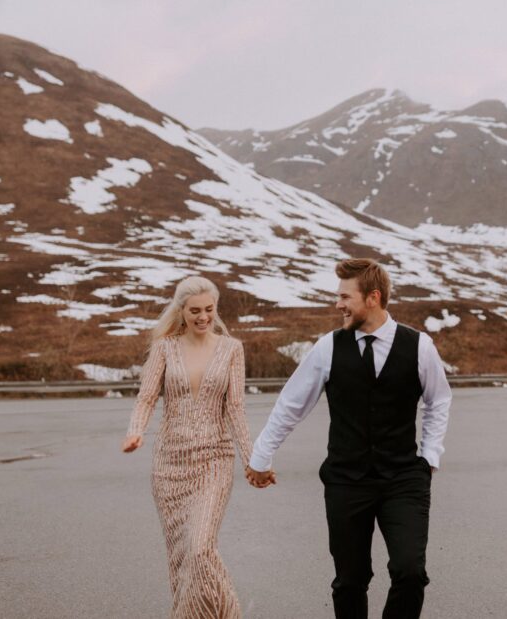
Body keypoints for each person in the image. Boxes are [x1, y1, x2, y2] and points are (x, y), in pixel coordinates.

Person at [246, 258, 452, 619]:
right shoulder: (328, 347)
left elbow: (439, 400)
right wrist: (261, 457)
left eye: (345, 296)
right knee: (350, 580)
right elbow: (291, 405)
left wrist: (429, 456)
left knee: (410, 573)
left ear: (372, 298)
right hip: (345, 480)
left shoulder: (420, 346)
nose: (338, 304)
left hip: (403, 478)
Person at [122, 276, 253, 619]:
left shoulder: (231, 349)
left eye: (209, 310)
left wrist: (253, 460)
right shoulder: (166, 347)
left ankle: (228, 613)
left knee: (199, 548)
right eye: (195, 311)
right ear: (181, 311)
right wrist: (136, 431)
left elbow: (236, 407)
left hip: (214, 461)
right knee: (182, 555)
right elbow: (147, 396)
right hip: (169, 466)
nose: (203, 317)